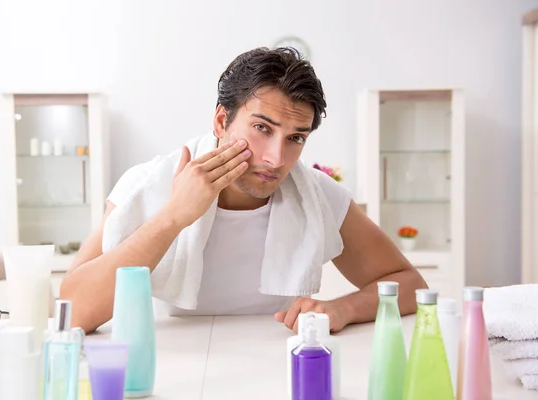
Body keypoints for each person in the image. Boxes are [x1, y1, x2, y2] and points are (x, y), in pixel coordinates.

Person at [60, 47, 427, 334]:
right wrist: (174, 216)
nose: (275, 158)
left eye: (295, 138)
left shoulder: (316, 194)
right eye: (262, 129)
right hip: (168, 367)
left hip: (273, 368)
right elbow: (73, 311)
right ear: (222, 120)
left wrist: (343, 308)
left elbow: (410, 284)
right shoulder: (146, 184)